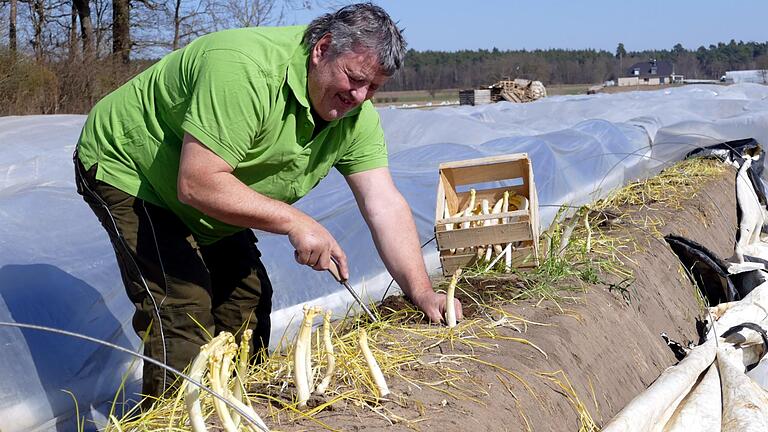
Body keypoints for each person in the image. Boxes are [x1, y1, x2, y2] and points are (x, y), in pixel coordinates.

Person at [73, 2, 463, 398]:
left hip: (214, 185)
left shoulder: (355, 119)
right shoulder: (244, 69)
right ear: (322, 48)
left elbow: (383, 203)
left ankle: (237, 407)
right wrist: (296, 221)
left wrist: (421, 291)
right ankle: (177, 419)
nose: (359, 96)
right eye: (354, 78)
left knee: (245, 299)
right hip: (134, 169)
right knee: (182, 309)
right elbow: (197, 182)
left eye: (373, 87)